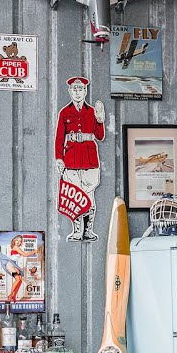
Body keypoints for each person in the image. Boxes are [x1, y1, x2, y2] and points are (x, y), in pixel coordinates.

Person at [54, 77, 106, 241]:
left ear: (85, 91)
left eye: (81, 89)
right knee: (75, 197)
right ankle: (77, 231)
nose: (77, 92)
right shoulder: (64, 112)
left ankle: (88, 231)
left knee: (89, 196)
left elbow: (100, 136)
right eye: (74, 89)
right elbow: (59, 137)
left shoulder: (91, 112)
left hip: (89, 160)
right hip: (71, 160)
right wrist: (59, 158)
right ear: (70, 91)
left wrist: (100, 120)